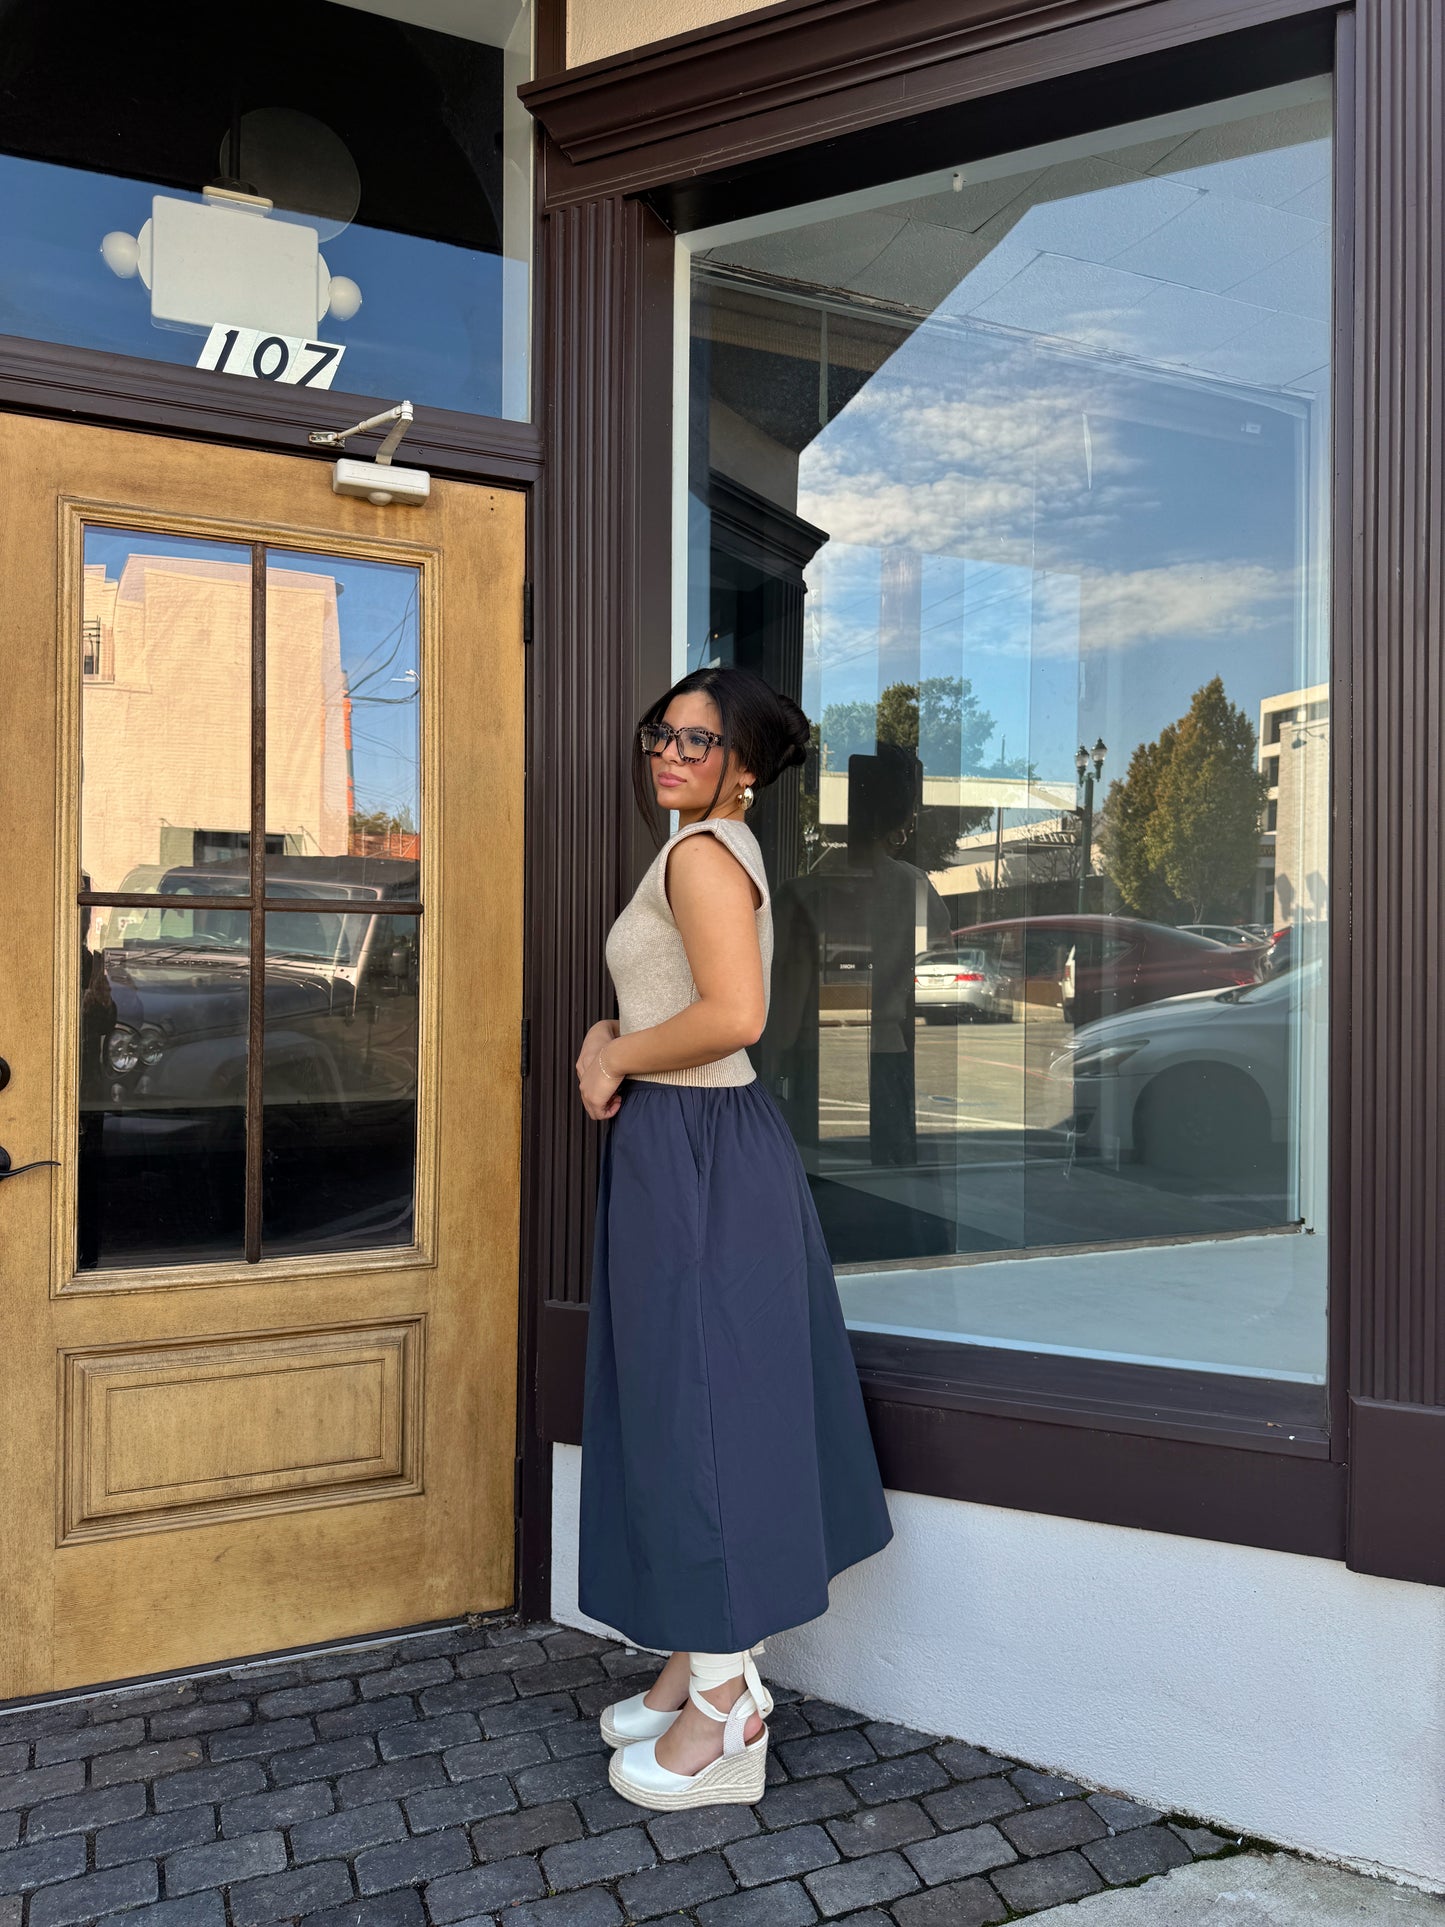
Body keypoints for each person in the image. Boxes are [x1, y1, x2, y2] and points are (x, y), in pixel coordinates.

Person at [574, 665, 894, 1812]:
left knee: (697, 1405)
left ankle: (726, 1713)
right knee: (694, 1398)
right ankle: (696, 1657)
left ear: (742, 767)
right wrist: (614, 1032)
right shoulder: (707, 847)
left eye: (697, 741)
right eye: (660, 732)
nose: (668, 753)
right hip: (695, 1141)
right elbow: (694, 1001)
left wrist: (610, 1052)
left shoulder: (702, 855)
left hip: (695, 1145)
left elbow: (734, 1015)